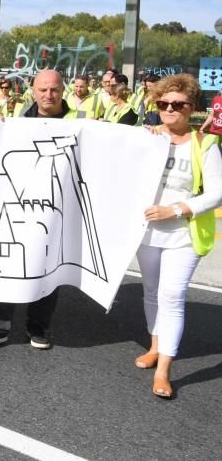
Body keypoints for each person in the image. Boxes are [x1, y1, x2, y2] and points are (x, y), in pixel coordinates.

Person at [135, 74, 222, 399]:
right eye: (163, 104)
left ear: (192, 108)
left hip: (184, 234)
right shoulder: (146, 137)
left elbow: (217, 193)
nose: (170, 109)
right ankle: (155, 345)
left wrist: (177, 209)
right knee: (152, 292)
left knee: (172, 296)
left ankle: (164, 371)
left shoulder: (205, 144)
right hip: (146, 233)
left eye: (178, 104)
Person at [0, 69, 69, 350]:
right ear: (33, 91)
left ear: (63, 91)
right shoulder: (17, 123)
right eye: (42, 90)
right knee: (4, 260)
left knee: (46, 267)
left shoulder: (81, 123)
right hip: (16, 204)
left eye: (53, 90)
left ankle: (38, 327)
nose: (48, 95)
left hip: (56, 210)